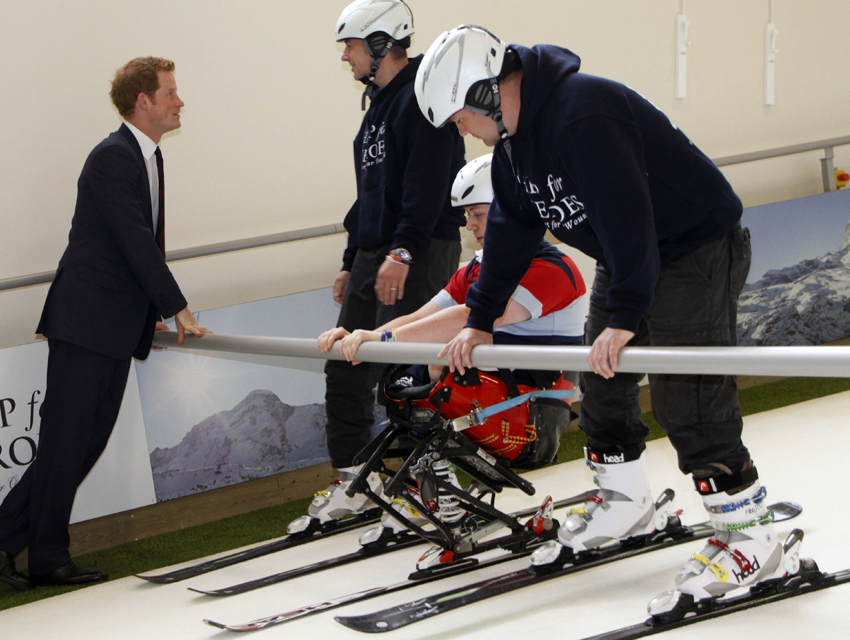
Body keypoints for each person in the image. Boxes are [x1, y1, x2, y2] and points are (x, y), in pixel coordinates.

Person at [415, 26, 778, 606]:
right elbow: (510, 234)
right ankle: (626, 502)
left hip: (694, 247)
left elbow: (628, 211)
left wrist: (625, 314)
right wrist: (478, 320)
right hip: (630, 254)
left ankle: (753, 537)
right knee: (602, 385)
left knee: (689, 393)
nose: (460, 130)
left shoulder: (583, 111)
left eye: (458, 116)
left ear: (485, 92)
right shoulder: (512, 151)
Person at [0, 57, 208, 590]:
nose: (179, 100)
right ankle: (40, 552)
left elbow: (131, 250)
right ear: (143, 100)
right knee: (68, 443)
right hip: (87, 323)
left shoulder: (146, 157)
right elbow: (134, 243)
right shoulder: (112, 158)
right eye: (171, 92)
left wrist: (150, 316)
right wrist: (174, 306)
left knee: (79, 444)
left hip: (110, 326)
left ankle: (0, 541)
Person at [319, 153, 586, 470]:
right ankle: (433, 480)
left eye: (478, 214)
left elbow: (471, 317)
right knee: (412, 373)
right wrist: (366, 337)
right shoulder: (477, 268)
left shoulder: (552, 269)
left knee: (437, 366)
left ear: (511, 210)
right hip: (495, 391)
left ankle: (437, 479)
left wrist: (382, 341)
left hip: (532, 411)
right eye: (468, 214)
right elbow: (423, 316)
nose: (468, 224)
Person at [310, 0, 466, 524]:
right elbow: (369, 195)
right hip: (378, 254)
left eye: (350, 46)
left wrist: (402, 251)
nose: (344, 57)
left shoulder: (422, 100)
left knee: (409, 375)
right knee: (345, 368)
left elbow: (428, 186)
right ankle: (357, 484)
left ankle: (437, 486)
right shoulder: (376, 110)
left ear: (379, 45)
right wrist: (353, 259)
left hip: (418, 248)